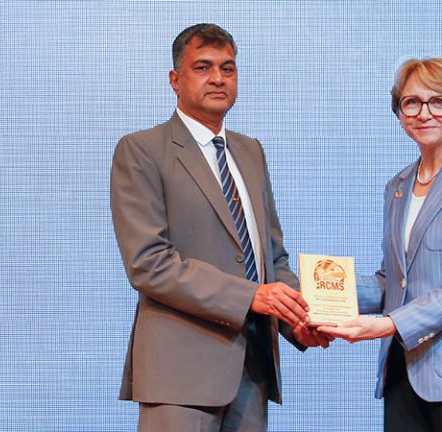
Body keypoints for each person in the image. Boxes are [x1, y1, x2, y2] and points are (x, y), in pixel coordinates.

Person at [110, 23, 329, 432]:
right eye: (203, 67)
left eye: (228, 68)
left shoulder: (250, 151)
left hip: (253, 369)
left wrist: (298, 320)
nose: (217, 78)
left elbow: (271, 257)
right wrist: (252, 296)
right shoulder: (141, 150)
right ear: (175, 79)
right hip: (181, 375)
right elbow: (149, 263)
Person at [319, 58, 442, 431]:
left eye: (438, 101)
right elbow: (394, 280)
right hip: (403, 375)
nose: (423, 113)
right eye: (411, 102)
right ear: (399, 114)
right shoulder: (398, 186)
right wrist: (315, 294)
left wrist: (388, 325)